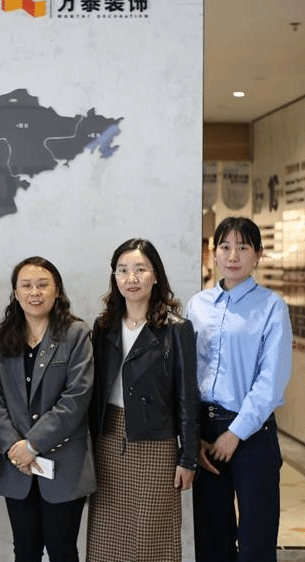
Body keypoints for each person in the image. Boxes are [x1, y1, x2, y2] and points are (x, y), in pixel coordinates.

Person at [87, 238, 199, 562]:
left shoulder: (176, 329)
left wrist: (188, 457)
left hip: (156, 443)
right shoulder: (104, 326)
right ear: (115, 277)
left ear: (155, 275)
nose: (131, 278)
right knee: (107, 534)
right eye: (123, 270)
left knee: (153, 535)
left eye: (140, 269)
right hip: (109, 439)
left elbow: (187, 396)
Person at [187, 217, 292, 562]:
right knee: (211, 538)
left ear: (258, 254)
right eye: (225, 246)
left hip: (253, 434)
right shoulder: (197, 305)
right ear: (213, 252)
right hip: (205, 434)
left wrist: (235, 433)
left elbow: (272, 379)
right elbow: (186, 374)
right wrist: (194, 435)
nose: (233, 256)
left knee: (256, 541)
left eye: (243, 247)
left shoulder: (271, 306)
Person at [0, 256, 95, 562]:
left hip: (64, 463)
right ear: (15, 293)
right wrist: (14, 447)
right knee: (25, 550)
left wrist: (33, 445)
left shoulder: (76, 333)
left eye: (42, 285)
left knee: (62, 550)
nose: (34, 292)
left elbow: (77, 397)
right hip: (16, 465)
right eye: (26, 285)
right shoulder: (3, 336)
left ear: (57, 290)